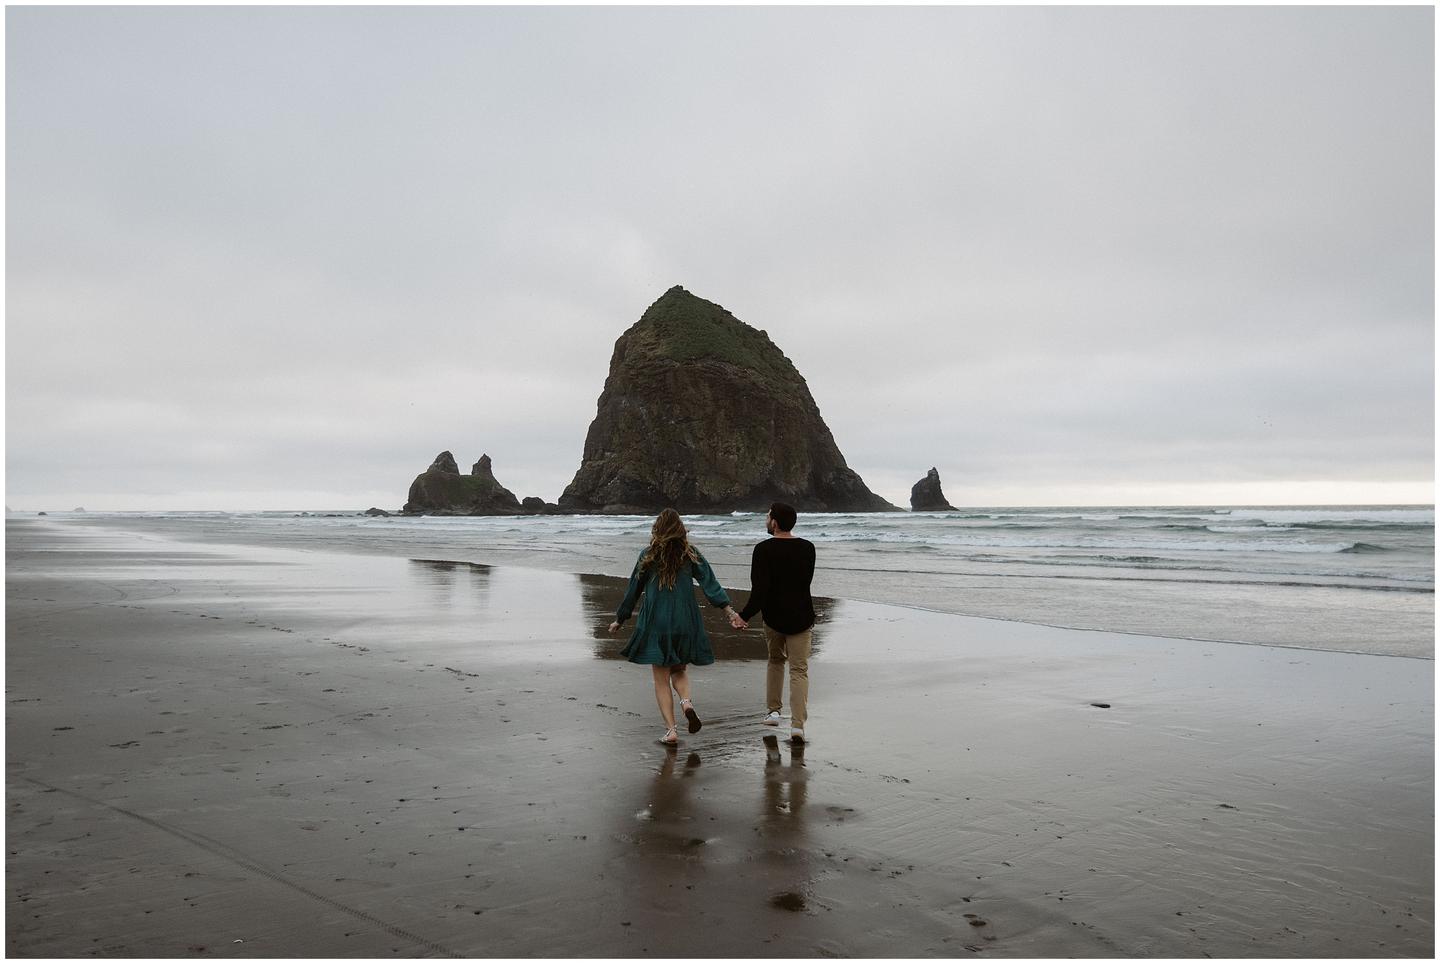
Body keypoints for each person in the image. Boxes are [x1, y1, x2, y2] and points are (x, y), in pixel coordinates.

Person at [609, 508, 740, 746]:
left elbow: (633, 591)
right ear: (681, 529)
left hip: (656, 623)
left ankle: (671, 731)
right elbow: (710, 584)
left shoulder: (647, 555)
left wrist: (621, 618)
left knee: (661, 680)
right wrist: (728, 610)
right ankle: (686, 702)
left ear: (657, 529)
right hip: (685, 621)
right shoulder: (690, 554)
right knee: (679, 669)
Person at [730, 501, 816, 744]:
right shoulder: (808, 548)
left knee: (776, 661)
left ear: (775, 522)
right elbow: (804, 583)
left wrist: (743, 616)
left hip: (774, 617)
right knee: (799, 670)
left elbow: (760, 591)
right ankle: (798, 725)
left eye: (768, 516)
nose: (766, 520)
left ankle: (774, 712)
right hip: (801, 616)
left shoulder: (763, 550)